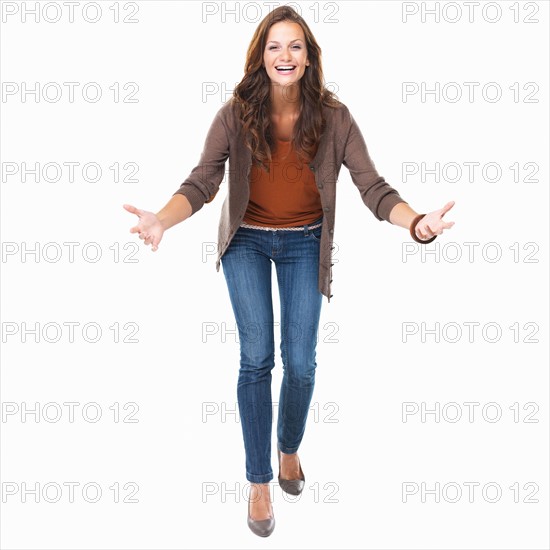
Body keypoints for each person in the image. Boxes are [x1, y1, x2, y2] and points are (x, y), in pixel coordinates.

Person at [123, 6, 455, 537]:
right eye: (275, 46)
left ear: (309, 57)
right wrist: (161, 220)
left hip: (305, 244)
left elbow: (373, 188)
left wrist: (416, 223)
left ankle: (289, 449)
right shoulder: (235, 113)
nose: (285, 55)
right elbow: (202, 182)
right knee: (257, 358)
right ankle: (258, 482)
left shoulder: (335, 117)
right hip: (247, 242)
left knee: (299, 363)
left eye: (295, 46)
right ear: (260, 55)